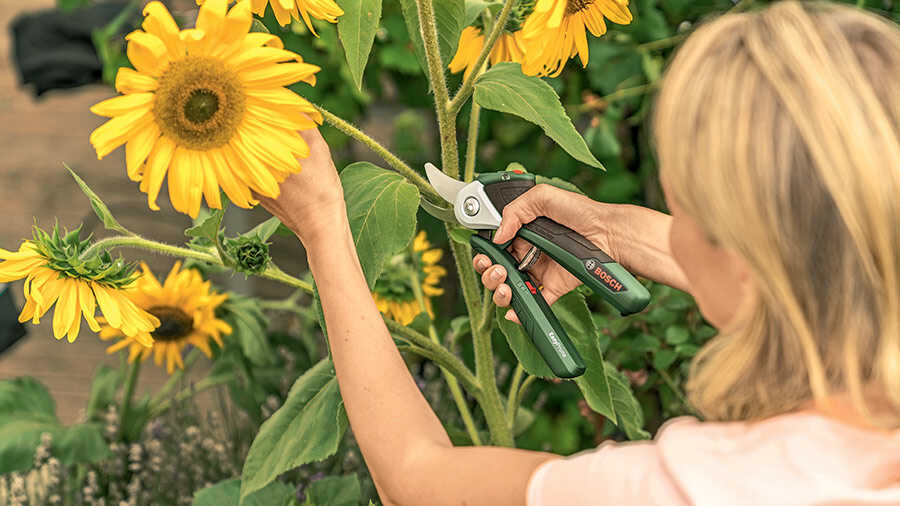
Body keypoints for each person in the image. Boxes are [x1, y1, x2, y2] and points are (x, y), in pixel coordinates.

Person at [258, 2, 900, 504]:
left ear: (740, 253)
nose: (670, 222)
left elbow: (416, 479)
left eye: (682, 209)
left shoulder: (694, 491)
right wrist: (611, 233)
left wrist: (324, 228)